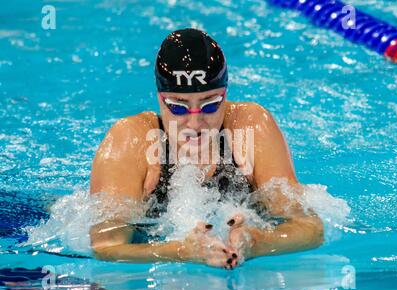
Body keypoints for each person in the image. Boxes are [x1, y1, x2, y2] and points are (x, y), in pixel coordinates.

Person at [89, 28, 324, 269]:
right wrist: (182, 251)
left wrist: (256, 241)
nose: (194, 123)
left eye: (210, 105)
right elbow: (106, 246)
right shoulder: (130, 139)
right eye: (178, 107)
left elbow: (310, 229)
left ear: (225, 94)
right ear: (160, 98)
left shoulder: (252, 125)